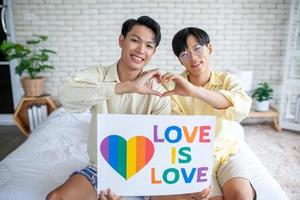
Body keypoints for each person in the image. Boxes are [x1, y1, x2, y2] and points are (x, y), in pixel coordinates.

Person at [47, 16, 208, 200]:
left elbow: (163, 145)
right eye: (135, 40)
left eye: (149, 45)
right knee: (56, 197)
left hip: (147, 172)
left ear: (153, 52)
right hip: (102, 168)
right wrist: (126, 87)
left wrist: (187, 183)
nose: (141, 50)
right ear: (121, 40)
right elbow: (67, 96)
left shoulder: (158, 92)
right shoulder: (98, 74)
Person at [161, 27, 256, 200]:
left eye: (197, 48)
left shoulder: (227, 80)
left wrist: (194, 91)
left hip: (228, 152)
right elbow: (176, 132)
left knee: (242, 196)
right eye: (184, 53)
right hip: (195, 157)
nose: (192, 57)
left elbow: (241, 110)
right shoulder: (173, 88)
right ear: (180, 61)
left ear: (209, 48)